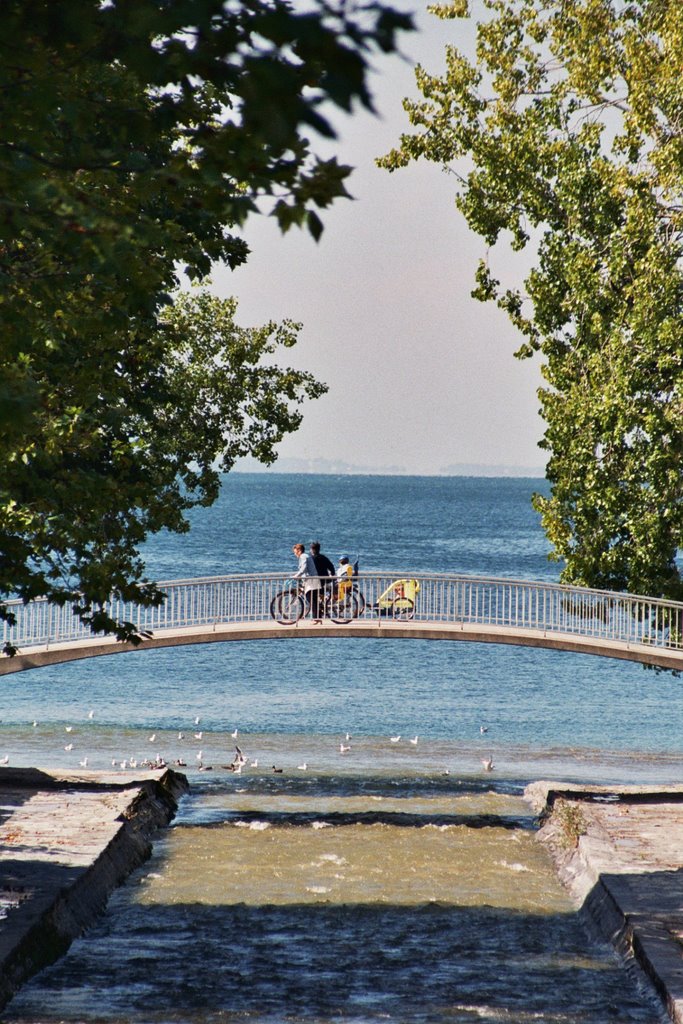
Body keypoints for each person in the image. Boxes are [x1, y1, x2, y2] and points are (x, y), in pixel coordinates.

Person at [292, 542, 322, 622]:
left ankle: (316, 618)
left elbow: (304, 568)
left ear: (299, 551)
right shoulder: (306, 556)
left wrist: (297, 575)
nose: (295, 554)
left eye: (295, 552)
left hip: (311, 580)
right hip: (312, 579)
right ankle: (318, 617)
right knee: (314, 599)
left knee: (311, 599)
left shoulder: (303, 556)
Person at [310, 541, 335, 611]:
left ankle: (318, 613)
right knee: (319, 594)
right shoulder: (323, 557)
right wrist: (332, 575)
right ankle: (321, 608)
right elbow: (331, 566)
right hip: (324, 580)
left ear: (312, 550)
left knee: (312, 596)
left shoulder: (311, 559)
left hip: (316, 581)